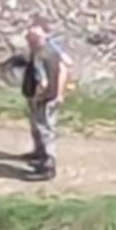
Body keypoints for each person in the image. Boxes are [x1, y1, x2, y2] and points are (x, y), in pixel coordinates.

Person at [21, 21, 71, 179]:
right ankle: (40, 155)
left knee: (45, 130)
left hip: (44, 98)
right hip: (49, 96)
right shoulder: (50, 51)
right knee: (41, 127)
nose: (27, 41)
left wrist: (39, 96)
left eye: (29, 38)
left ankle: (47, 167)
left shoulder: (40, 55)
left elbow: (43, 82)